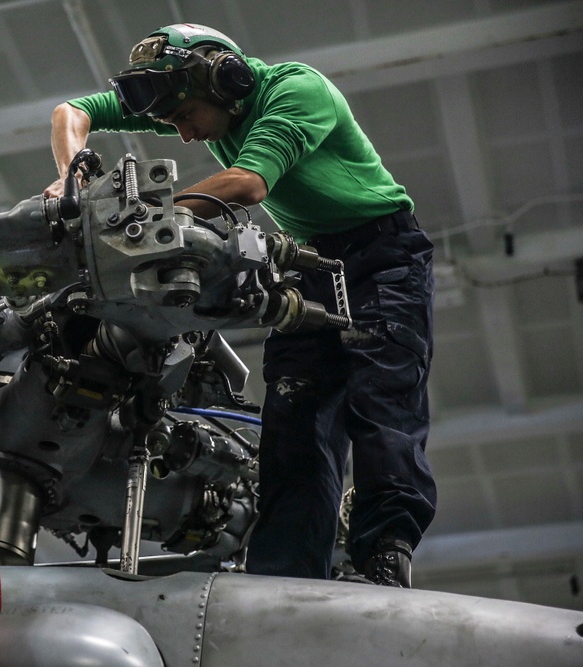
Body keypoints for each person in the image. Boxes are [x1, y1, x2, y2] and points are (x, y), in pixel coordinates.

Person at [45, 23, 436, 587]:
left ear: (223, 80)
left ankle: (385, 553)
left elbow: (248, 184)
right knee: (293, 423)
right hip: (313, 264)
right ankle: (287, 576)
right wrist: (71, 179)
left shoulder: (297, 90)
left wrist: (128, 221)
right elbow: (71, 110)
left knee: (382, 405)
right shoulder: (199, 96)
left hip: (385, 257)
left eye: (183, 119)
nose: (182, 137)